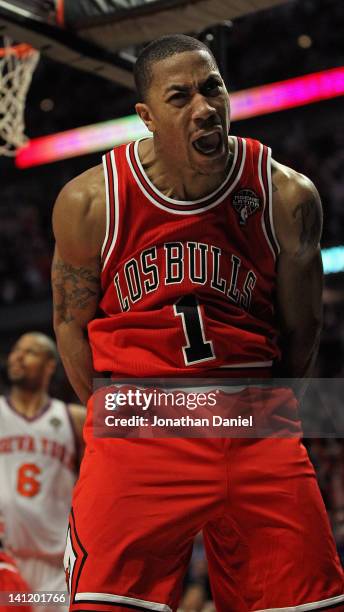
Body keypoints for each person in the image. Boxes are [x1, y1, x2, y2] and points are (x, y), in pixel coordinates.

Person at [52, 34, 344, 612]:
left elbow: (304, 328)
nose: (205, 107)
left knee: (307, 603)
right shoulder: (91, 202)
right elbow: (70, 327)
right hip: (139, 425)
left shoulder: (286, 195)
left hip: (252, 422)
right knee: (102, 604)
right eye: (180, 96)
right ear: (146, 117)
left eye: (212, 88)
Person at [0, 333, 85, 612]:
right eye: (16, 351)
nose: (18, 357)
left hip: (57, 567)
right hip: (7, 558)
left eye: (30, 352)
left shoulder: (74, 418)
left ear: (50, 365)